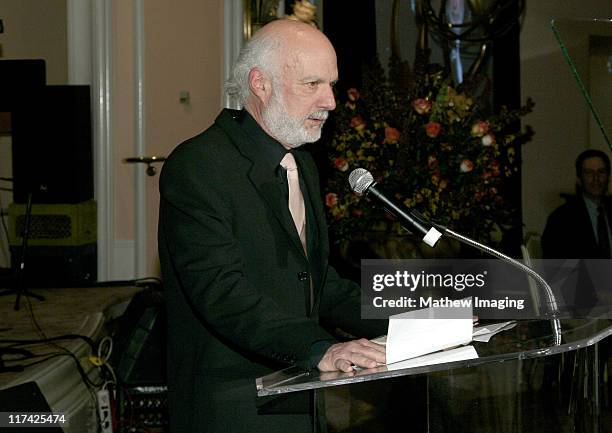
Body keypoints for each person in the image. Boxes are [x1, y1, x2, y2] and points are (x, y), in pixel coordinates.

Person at [158, 19, 386, 433]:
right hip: (234, 408)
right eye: (312, 83)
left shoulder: (301, 163)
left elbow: (320, 286)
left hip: (300, 396)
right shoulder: (198, 166)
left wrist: (419, 320)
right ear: (260, 84)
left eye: (331, 84)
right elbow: (222, 292)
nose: (330, 101)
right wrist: (319, 348)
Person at [542, 149, 612, 259]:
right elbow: (555, 266)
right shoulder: (561, 219)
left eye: (601, 172)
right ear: (579, 179)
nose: (596, 178)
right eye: (589, 173)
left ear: (608, 177)